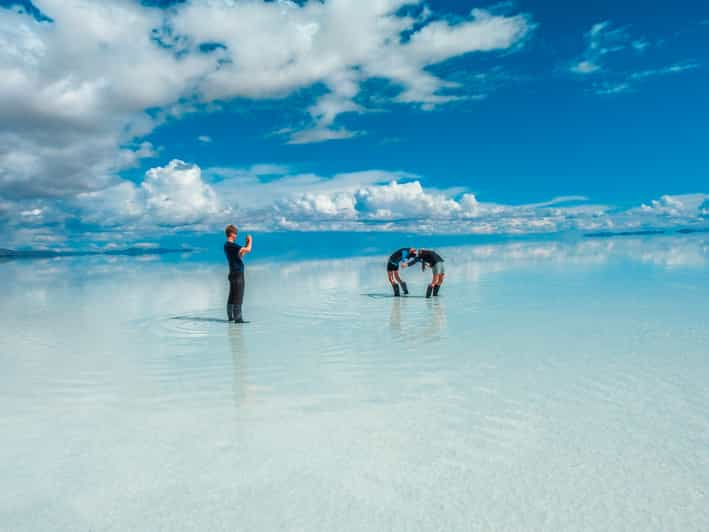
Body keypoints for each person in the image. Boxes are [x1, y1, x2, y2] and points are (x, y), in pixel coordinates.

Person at [224, 225, 252, 323]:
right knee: (238, 295)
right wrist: (250, 240)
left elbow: (241, 255)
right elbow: (248, 250)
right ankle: (238, 319)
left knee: (232, 295)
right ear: (232, 234)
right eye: (235, 233)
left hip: (232, 273)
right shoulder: (231, 245)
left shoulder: (227, 246)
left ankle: (230, 317)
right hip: (237, 273)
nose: (236, 235)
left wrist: (246, 243)